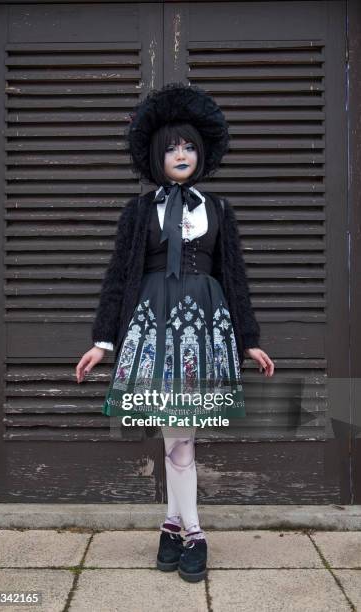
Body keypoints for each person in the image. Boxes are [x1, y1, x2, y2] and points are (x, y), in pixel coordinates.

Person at [76, 82, 275, 583]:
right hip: (152, 328)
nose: (181, 154)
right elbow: (120, 276)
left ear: (201, 152)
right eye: (171, 147)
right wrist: (103, 342)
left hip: (203, 329)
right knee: (178, 439)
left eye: (188, 146)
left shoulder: (219, 210)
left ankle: (174, 528)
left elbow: (235, 277)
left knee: (180, 439)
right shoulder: (139, 210)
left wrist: (249, 339)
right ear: (155, 156)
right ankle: (192, 534)